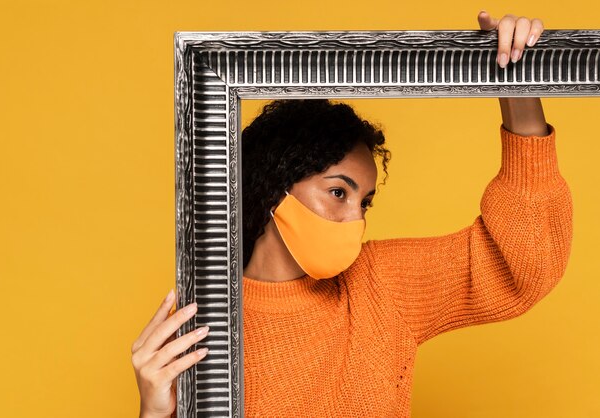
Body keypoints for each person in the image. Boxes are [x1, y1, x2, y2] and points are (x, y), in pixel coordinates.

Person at [131, 11, 573, 418]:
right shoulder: (202, 328)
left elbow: (520, 266)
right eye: (338, 192)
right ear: (271, 186)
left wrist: (519, 93)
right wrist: (155, 415)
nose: (354, 219)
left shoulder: (380, 285)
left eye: (365, 202)